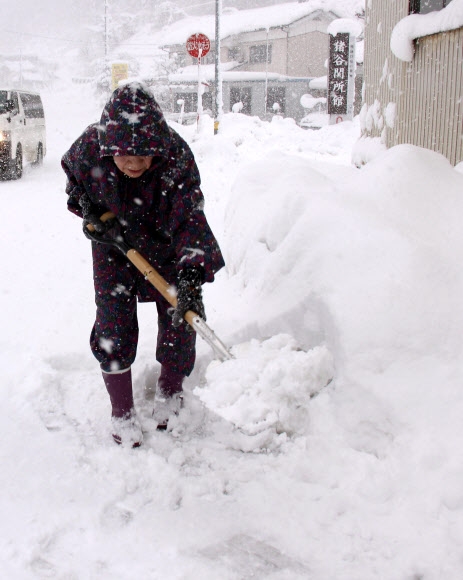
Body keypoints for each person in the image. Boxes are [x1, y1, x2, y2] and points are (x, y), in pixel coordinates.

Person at [61, 82, 225, 447]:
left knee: (178, 317)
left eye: (143, 156)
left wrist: (191, 273)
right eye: (124, 156)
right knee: (113, 323)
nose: (134, 164)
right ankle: (121, 411)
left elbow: (189, 216)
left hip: (166, 247)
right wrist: (88, 210)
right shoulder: (90, 148)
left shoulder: (175, 155)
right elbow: (75, 180)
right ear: (108, 147)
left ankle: (171, 393)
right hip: (113, 246)